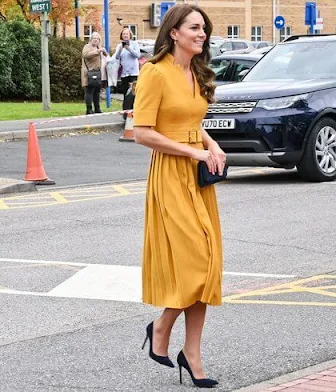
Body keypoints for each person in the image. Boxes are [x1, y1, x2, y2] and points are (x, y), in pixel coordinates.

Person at [133, 4, 226, 389]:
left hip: (197, 175)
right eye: (193, 27)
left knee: (207, 263)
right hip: (171, 174)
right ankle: (161, 327)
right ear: (174, 32)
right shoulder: (155, 72)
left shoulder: (197, 72)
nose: (201, 34)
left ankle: (192, 353)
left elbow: (192, 122)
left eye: (203, 28)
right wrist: (193, 151)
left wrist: (212, 143)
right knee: (194, 263)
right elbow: (142, 132)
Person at [81, 32, 108, 115]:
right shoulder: (87, 47)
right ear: (91, 39)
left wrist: (104, 52)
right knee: (89, 91)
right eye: (94, 38)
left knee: (97, 91)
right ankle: (89, 109)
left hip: (99, 73)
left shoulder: (99, 47)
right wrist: (98, 51)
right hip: (89, 73)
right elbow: (86, 55)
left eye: (98, 38)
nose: (96, 40)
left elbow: (106, 56)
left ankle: (97, 108)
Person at [114, 27, 140, 95]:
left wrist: (129, 49)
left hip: (133, 72)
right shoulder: (119, 46)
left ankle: (134, 105)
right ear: (121, 36)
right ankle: (126, 105)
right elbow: (117, 57)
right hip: (124, 73)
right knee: (125, 92)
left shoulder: (134, 44)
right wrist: (120, 49)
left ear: (130, 35)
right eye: (124, 34)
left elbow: (137, 55)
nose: (125, 35)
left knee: (133, 92)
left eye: (127, 34)